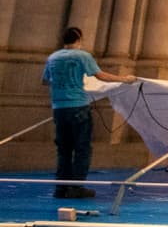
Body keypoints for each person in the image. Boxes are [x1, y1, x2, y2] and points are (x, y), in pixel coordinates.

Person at [41, 26, 137, 198]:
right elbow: (101, 76)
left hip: (59, 108)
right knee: (82, 148)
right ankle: (76, 187)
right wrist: (125, 79)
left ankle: (61, 187)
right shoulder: (82, 56)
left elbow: (46, 81)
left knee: (63, 150)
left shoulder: (53, 57)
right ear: (79, 39)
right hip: (78, 106)